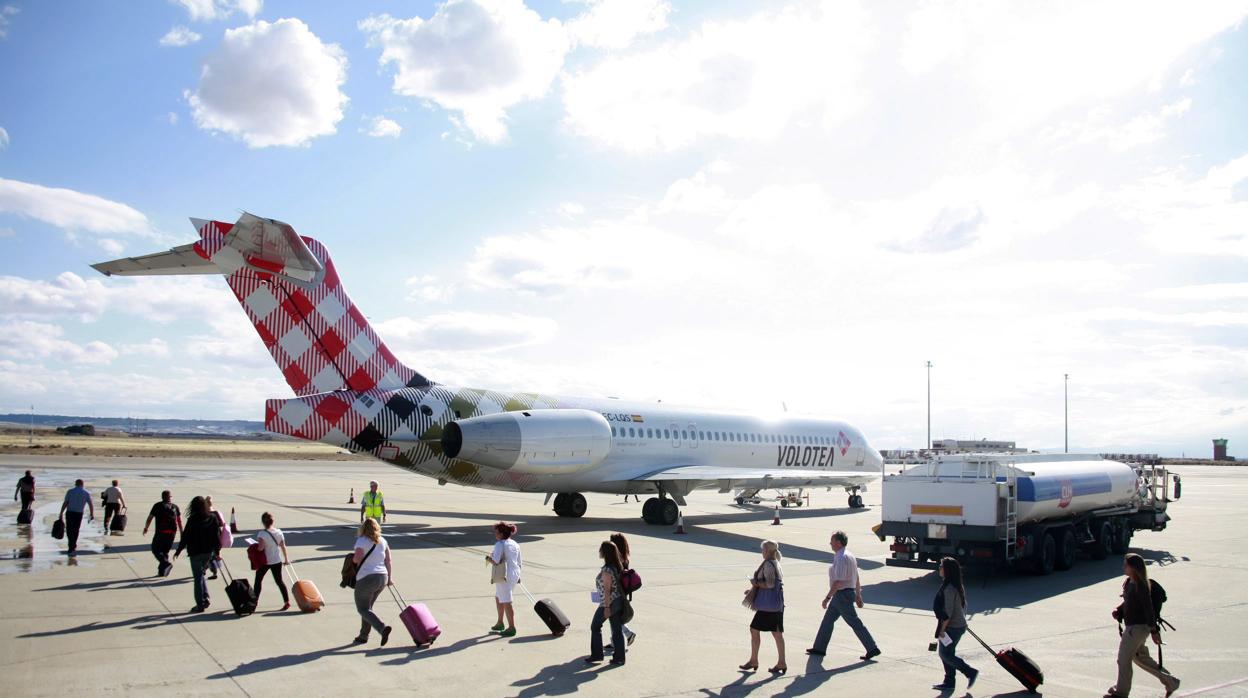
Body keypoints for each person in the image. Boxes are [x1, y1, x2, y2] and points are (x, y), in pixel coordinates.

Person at [1108, 553, 1180, 697]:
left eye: (1126, 565)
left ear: (1133, 568)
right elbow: (1129, 602)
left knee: (1123, 659)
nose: (1123, 567)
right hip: (1133, 628)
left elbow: (1148, 608)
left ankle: (1121, 693)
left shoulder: (1141, 586)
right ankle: (1171, 682)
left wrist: (1154, 631)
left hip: (1138, 628)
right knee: (1140, 658)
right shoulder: (1129, 582)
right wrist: (1119, 610)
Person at [807, 530, 880, 661]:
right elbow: (856, 576)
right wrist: (858, 594)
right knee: (827, 621)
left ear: (839, 543)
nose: (830, 543)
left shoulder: (841, 557)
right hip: (844, 594)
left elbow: (839, 581)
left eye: (832, 541)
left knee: (854, 622)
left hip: (842, 595)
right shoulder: (849, 555)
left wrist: (827, 597)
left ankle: (872, 647)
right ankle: (819, 648)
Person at [741, 540, 787, 674]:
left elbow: (770, 584)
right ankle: (781, 662)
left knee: (754, 629)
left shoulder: (768, 564)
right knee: (777, 634)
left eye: (763, 550)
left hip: (768, 606)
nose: (762, 552)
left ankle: (754, 660)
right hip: (776, 604)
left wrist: (754, 582)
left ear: (767, 551)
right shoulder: (776, 562)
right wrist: (752, 589)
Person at [932, 557, 978, 691]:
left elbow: (948, 612)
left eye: (941, 566)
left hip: (952, 627)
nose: (939, 568)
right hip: (957, 625)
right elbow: (964, 604)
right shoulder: (955, 584)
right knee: (947, 653)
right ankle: (949, 681)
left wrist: (942, 630)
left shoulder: (949, 588)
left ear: (947, 570)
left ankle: (969, 672)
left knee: (945, 654)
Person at [174, 496, 222, 613]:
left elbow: (185, 537)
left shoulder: (192, 519)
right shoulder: (212, 518)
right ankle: (205, 598)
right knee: (201, 575)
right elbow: (217, 537)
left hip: (195, 553)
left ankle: (199, 605)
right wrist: (217, 552)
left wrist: (178, 550)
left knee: (198, 578)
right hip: (207, 553)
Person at [352, 518, 393, 645]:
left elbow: (356, 559)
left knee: (362, 609)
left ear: (363, 528)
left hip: (367, 578)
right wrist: (390, 579)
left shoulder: (362, 541)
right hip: (383, 577)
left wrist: (353, 560)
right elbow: (388, 561)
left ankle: (382, 628)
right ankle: (363, 635)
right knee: (367, 608)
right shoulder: (383, 541)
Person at [586, 540, 627, 666]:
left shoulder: (607, 570)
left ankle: (597, 654)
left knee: (595, 626)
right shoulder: (617, 566)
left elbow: (607, 590)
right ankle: (619, 657)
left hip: (609, 603)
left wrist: (607, 607)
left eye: (601, 549)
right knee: (616, 630)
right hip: (618, 600)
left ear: (605, 553)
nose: (599, 551)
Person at [485, 521, 523, 637]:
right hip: (514, 573)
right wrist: (518, 576)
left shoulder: (499, 544)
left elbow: (496, 561)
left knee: (507, 601)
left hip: (504, 575)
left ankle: (511, 627)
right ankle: (500, 622)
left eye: (496, 532)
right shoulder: (515, 544)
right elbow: (519, 562)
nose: (495, 534)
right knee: (498, 597)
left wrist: (488, 558)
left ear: (501, 534)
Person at [253, 512, 290, 610]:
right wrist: (286, 559)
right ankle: (287, 601)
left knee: (258, 580)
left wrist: (254, 547)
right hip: (277, 560)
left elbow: (260, 548)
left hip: (265, 561)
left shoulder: (262, 534)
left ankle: (255, 601)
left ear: (263, 522)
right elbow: (283, 546)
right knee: (279, 581)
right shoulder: (279, 532)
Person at [608, 532, 637, 649]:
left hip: (616, 592)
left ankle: (628, 633)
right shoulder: (624, 558)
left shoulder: (617, 560)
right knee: (613, 617)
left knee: (613, 617)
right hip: (622, 591)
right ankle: (614, 641)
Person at [143, 490, 182, 577]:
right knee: (165, 552)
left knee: (155, 549)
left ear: (162, 497)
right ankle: (162, 572)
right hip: (172, 533)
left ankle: (166, 563)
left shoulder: (157, 505)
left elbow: (150, 518)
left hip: (161, 532)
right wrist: (182, 532)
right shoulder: (175, 507)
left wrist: (146, 528)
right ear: (170, 497)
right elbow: (179, 521)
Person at [59, 479, 94, 555]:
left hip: (70, 513)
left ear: (75, 484)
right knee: (76, 529)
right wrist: (91, 514)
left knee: (69, 529)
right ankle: (73, 544)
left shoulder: (70, 491)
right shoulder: (86, 493)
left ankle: (71, 544)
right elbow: (90, 504)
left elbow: (66, 502)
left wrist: (61, 513)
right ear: (82, 484)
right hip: (79, 513)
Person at [204, 495, 225, 579]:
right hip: (216, 536)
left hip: (207, 537)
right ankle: (207, 569)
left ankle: (212, 571)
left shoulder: (204, 514)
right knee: (213, 554)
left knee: (208, 555)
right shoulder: (215, 513)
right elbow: (221, 524)